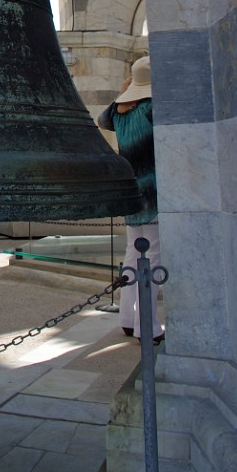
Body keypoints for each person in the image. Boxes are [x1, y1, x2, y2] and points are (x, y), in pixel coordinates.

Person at [98, 55, 164, 343]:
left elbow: (102, 120)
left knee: (131, 256)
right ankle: (146, 327)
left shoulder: (117, 111)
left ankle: (127, 319)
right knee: (152, 259)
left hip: (132, 189)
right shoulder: (151, 107)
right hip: (155, 191)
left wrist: (123, 91)